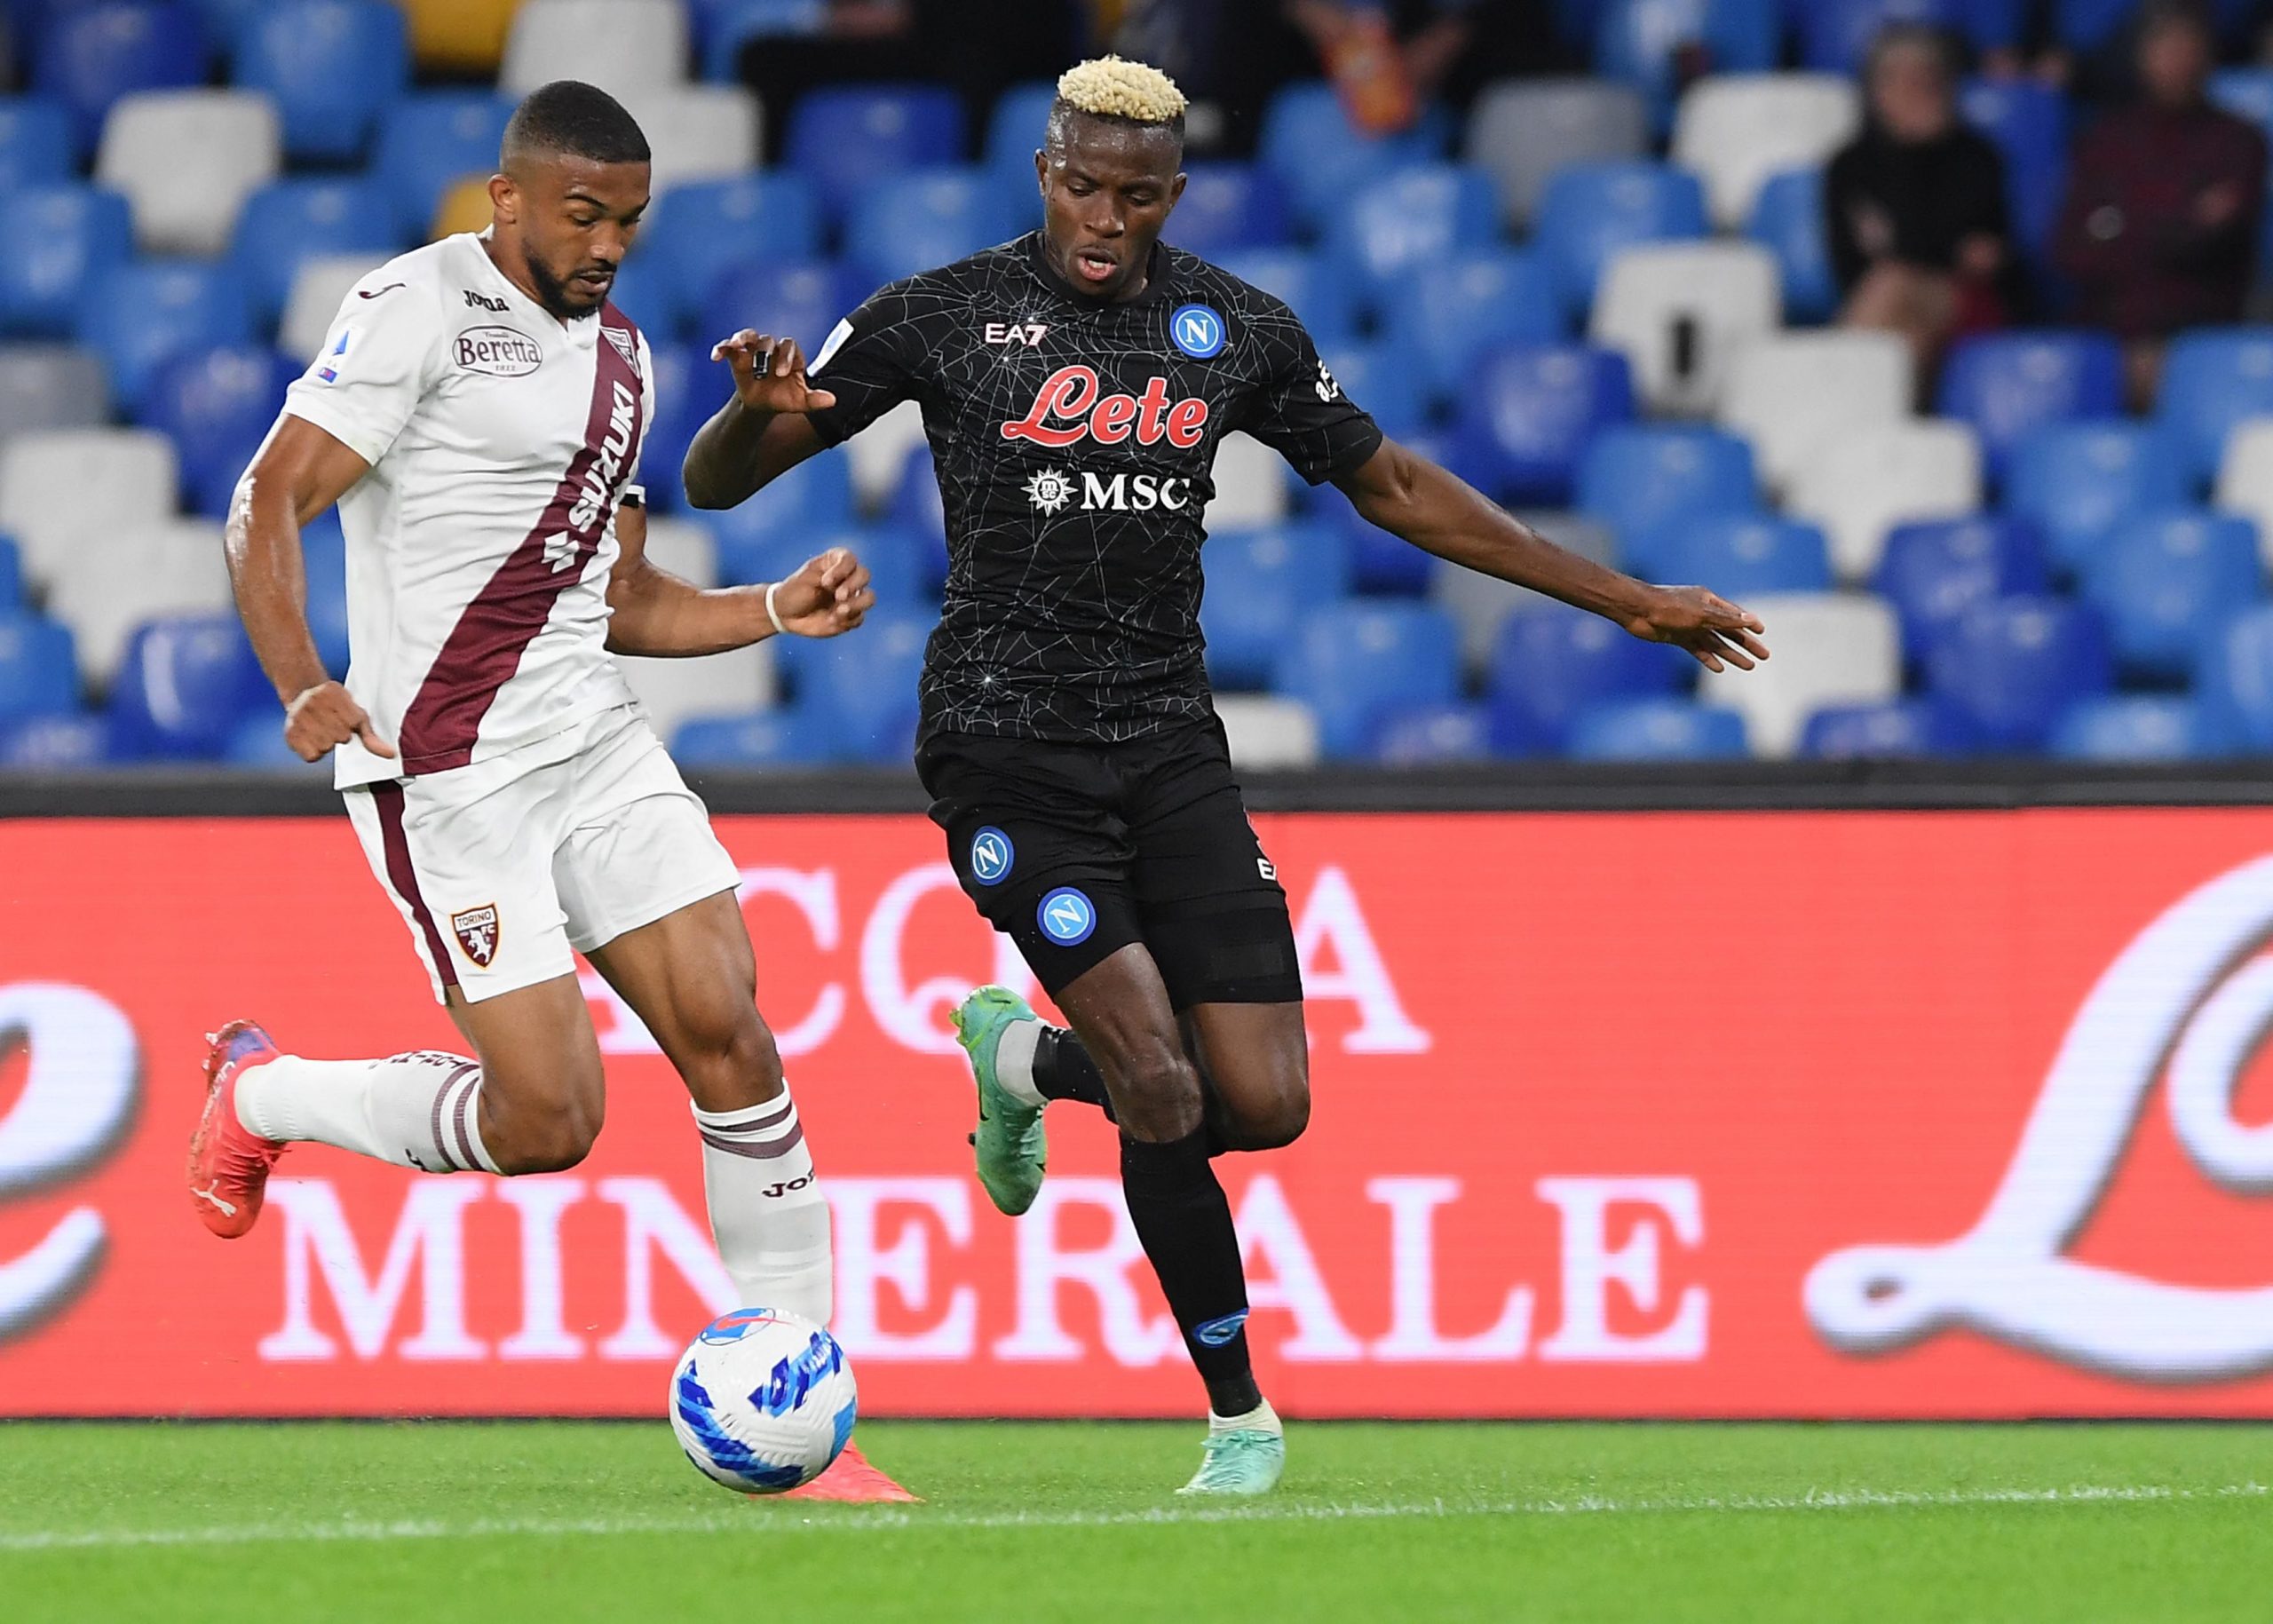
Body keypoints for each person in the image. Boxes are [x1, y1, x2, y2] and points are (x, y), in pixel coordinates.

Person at [681, 55, 1768, 1496]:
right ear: (1045, 172)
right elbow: (716, 483)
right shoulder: (940, 313)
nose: (1104, 218)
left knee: (1262, 1103)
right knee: (1157, 1080)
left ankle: (1019, 1059)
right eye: (1082, 185)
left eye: (1136, 196)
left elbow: (1393, 485)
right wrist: (751, 413)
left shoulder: (1234, 329)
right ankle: (1240, 1418)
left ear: (1174, 194)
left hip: (1170, 748)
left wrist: (1625, 598)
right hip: (1008, 750)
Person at [186, 81, 906, 1501]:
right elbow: (269, 495)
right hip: (448, 774)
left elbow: (618, 600)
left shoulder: (626, 358)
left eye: (630, 222)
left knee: (731, 1029)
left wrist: (772, 607)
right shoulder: (415, 307)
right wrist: (301, 679)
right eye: (584, 216)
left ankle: (810, 1415)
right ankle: (263, 1092)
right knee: (549, 1123)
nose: (608, 246)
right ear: (506, 197)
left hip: (593, 745)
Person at [2055, 0, 2268, 408]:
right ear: (2143, 56)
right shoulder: (2106, 139)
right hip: (2107, 323)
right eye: (2166, 48)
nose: (2177, 62)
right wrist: (2182, 220)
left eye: (2188, 49)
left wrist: (2124, 227)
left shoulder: (2238, 142)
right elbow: (2069, 248)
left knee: (2152, 367)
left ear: (2208, 56)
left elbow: (2215, 244)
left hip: (2196, 324)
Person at [1826, 24, 2016, 381]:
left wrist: (1922, 155)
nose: (1914, 90)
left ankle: (1840, 392)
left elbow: (1983, 255)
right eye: (1899, 79)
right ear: (1876, 91)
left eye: (1925, 78)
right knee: (1904, 333)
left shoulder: (1976, 158)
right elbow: (1849, 267)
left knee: (1891, 284)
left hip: (1965, 300)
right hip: (1886, 307)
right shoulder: (1849, 166)